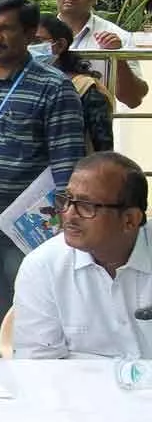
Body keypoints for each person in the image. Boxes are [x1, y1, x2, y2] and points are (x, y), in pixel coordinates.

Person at [0, 0, 86, 356]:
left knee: (28, 311)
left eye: (6, 29)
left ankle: (28, 385)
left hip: (26, 229)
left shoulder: (54, 87)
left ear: (28, 34)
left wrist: (62, 222)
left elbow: (67, 164)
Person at [13, 153, 152, 359]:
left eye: (87, 206)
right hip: (76, 390)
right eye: (67, 200)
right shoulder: (43, 267)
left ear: (130, 220)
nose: (69, 214)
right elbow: (38, 367)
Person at [55, 0, 147, 109]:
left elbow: (133, 100)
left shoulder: (118, 36)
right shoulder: (37, 34)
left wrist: (117, 57)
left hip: (95, 126)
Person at [36, 15, 113, 153]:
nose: (27, 47)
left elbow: (103, 148)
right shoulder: (15, 82)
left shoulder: (85, 87)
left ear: (60, 45)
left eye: (36, 41)